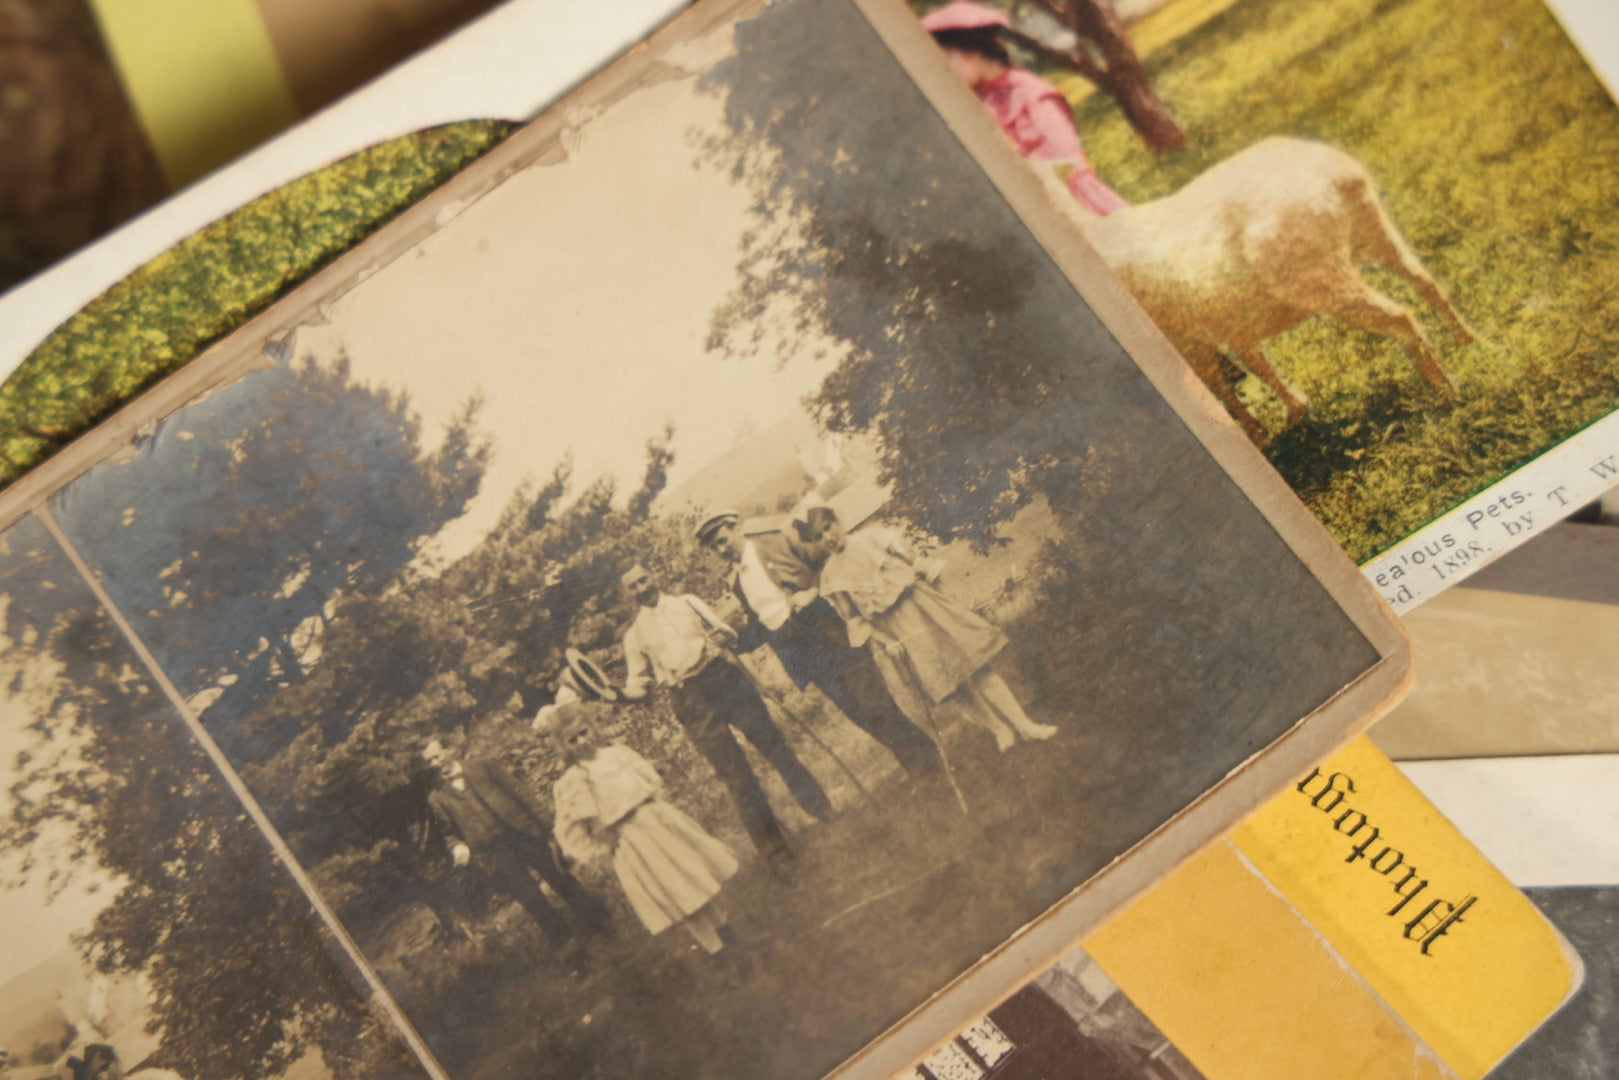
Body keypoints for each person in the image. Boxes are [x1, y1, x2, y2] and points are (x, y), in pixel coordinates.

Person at [696, 509, 946, 784]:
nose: (721, 549)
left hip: (829, 631)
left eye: (722, 540)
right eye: (714, 547)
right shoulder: (737, 582)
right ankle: (917, 765)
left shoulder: (775, 542)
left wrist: (812, 592)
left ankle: (928, 759)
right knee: (858, 713)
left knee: (874, 702)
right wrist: (735, 641)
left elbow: (824, 564)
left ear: (735, 528)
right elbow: (763, 624)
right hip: (802, 654)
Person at [616, 563, 834, 865]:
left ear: (654, 576)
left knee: (774, 745)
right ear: (627, 594)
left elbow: (727, 632)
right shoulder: (634, 636)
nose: (641, 588)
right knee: (736, 777)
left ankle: (822, 809)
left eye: (643, 580)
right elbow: (638, 685)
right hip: (689, 700)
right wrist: (618, 695)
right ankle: (777, 855)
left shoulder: (687, 602)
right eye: (633, 586)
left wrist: (722, 637)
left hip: (724, 679)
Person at [799, 506, 1058, 752]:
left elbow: (915, 563)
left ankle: (1026, 726)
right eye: (819, 537)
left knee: (976, 666)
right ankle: (999, 729)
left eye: (828, 527)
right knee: (950, 686)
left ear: (838, 521)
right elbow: (853, 620)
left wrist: (943, 597)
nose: (828, 537)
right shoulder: (831, 577)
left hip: (922, 604)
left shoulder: (872, 538)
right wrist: (886, 641)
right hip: (897, 630)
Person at [544, 702, 740, 955]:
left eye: (584, 732)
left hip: (658, 822)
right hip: (633, 839)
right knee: (680, 892)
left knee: (696, 877)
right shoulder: (573, 780)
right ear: (564, 746)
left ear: (592, 728)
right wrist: (598, 849)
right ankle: (718, 951)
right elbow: (567, 830)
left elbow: (649, 779)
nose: (582, 741)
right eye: (573, 740)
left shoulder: (617, 753)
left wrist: (657, 807)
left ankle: (729, 935)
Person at [922, 1, 1129, 217]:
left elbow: (1065, 164)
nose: (944, 74)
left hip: (1078, 204)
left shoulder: (1031, 95)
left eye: (946, 62)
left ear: (973, 52)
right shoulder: (975, 104)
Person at [421, 738, 612, 964]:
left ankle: (601, 923)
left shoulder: (483, 766)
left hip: (524, 833)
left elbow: (520, 793)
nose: (435, 763)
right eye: (429, 761)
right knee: (531, 898)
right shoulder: (437, 797)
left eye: (436, 756)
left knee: (560, 878)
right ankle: (570, 951)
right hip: (495, 851)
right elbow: (448, 833)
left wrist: (548, 823)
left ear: (449, 749)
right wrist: (458, 846)